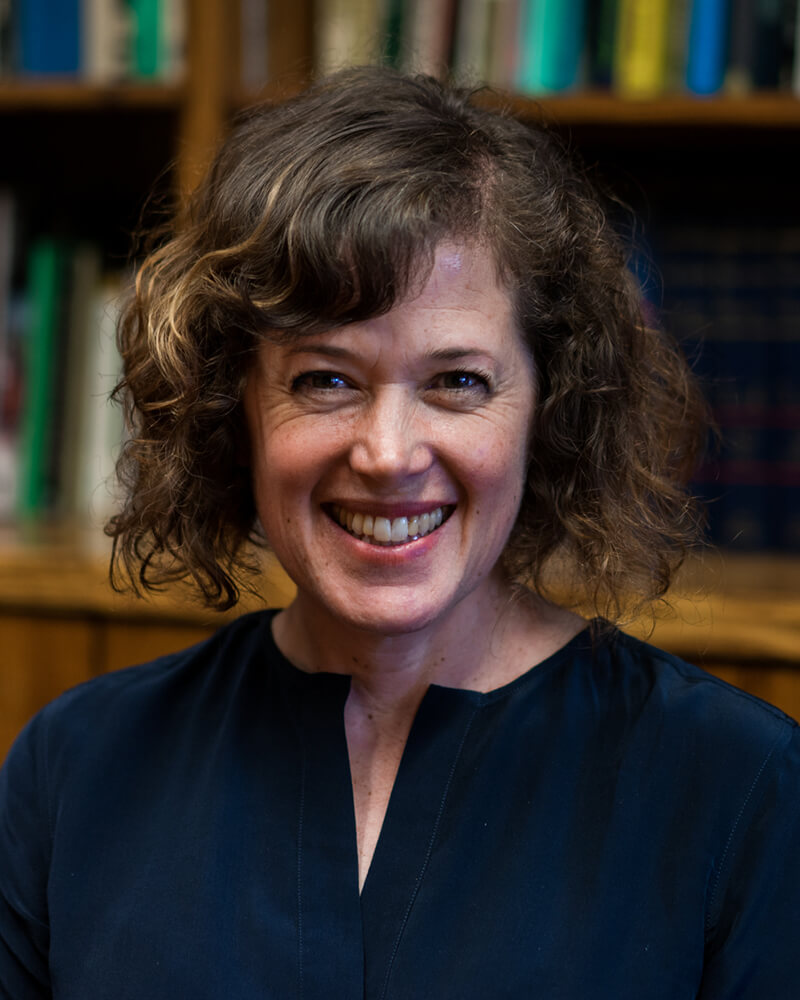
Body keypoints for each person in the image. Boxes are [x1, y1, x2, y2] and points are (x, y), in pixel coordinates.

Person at [1, 66, 798, 999]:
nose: (387, 454)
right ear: (235, 407)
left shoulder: (740, 789)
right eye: (325, 379)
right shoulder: (78, 767)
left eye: (457, 381)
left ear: (552, 408)